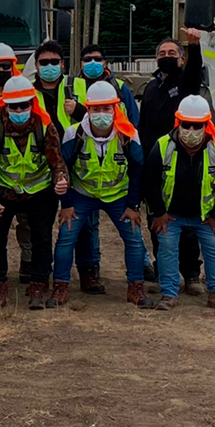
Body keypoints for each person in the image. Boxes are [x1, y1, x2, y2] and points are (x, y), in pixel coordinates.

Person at [51, 81, 151, 308]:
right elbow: (61, 168)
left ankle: (136, 288)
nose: (102, 114)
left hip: (118, 196)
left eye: (107, 108)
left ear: (115, 109)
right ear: (87, 109)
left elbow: (138, 171)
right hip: (82, 194)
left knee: (134, 238)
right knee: (66, 236)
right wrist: (66, 204)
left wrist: (133, 206)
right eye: (96, 109)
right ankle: (60, 287)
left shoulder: (128, 135)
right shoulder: (73, 134)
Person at [0, 75, 69, 310]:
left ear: (32, 103)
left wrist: (61, 180)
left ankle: (38, 284)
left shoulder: (44, 127)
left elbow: (57, 162)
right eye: (14, 106)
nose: (19, 110)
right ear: (4, 105)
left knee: (41, 238)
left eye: (24, 105)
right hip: (3, 192)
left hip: (38, 191)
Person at [145, 95, 215, 312]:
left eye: (197, 126)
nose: (191, 130)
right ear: (178, 122)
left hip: (205, 217)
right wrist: (158, 213)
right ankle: (168, 294)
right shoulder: (162, 147)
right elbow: (149, 182)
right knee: (166, 247)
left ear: (206, 125)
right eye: (186, 124)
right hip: (171, 215)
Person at [137, 29, 207, 294]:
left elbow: (194, 72)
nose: (167, 57)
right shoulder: (152, 87)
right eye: (162, 53)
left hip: (181, 161)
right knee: (157, 220)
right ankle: (163, 269)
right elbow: (143, 126)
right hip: (153, 163)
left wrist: (194, 46)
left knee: (185, 221)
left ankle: (190, 275)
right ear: (156, 58)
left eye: (172, 53)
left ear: (180, 59)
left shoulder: (185, 84)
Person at [71, 43, 140, 293]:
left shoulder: (120, 88)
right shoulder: (73, 86)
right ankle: (90, 270)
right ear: (80, 64)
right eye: (87, 59)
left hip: (114, 165)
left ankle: (139, 274)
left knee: (130, 228)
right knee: (85, 227)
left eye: (97, 59)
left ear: (105, 63)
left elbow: (131, 121)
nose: (92, 63)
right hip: (84, 165)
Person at [0, 41, 36, 285]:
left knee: (27, 225)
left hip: (27, 177)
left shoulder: (26, 94)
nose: (2, 71)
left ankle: (28, 263)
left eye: (6, 66)